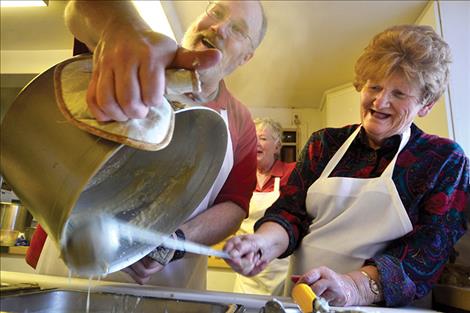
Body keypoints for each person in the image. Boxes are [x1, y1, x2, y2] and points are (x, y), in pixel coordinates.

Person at [26, 0, 267, 290]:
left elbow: (234, 204)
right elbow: (79, 9)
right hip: (67, 272)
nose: (219, 27)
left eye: (238, 29)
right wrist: (117, 25)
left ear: (246, 57)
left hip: (167, 288)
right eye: (215, 12)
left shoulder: (240, 121)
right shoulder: (129, 57)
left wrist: (177, 240)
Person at [224, 24, 469, 307]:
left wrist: (353, 287)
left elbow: (428, 251)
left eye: (399, 94)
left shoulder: (442, 160)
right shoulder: (325, 143)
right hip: (301, 301)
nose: (380, 101)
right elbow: (290, 213)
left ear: (426, 104)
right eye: (374, 87)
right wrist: (262, 245)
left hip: (377, 307)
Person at [233, 118, 296, 295]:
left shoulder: (292, 174)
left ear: (277, 147)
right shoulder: (239, 178)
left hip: (281, 270)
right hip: (246, 271)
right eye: (251, 138)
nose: (255, 143)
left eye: (262, 138)